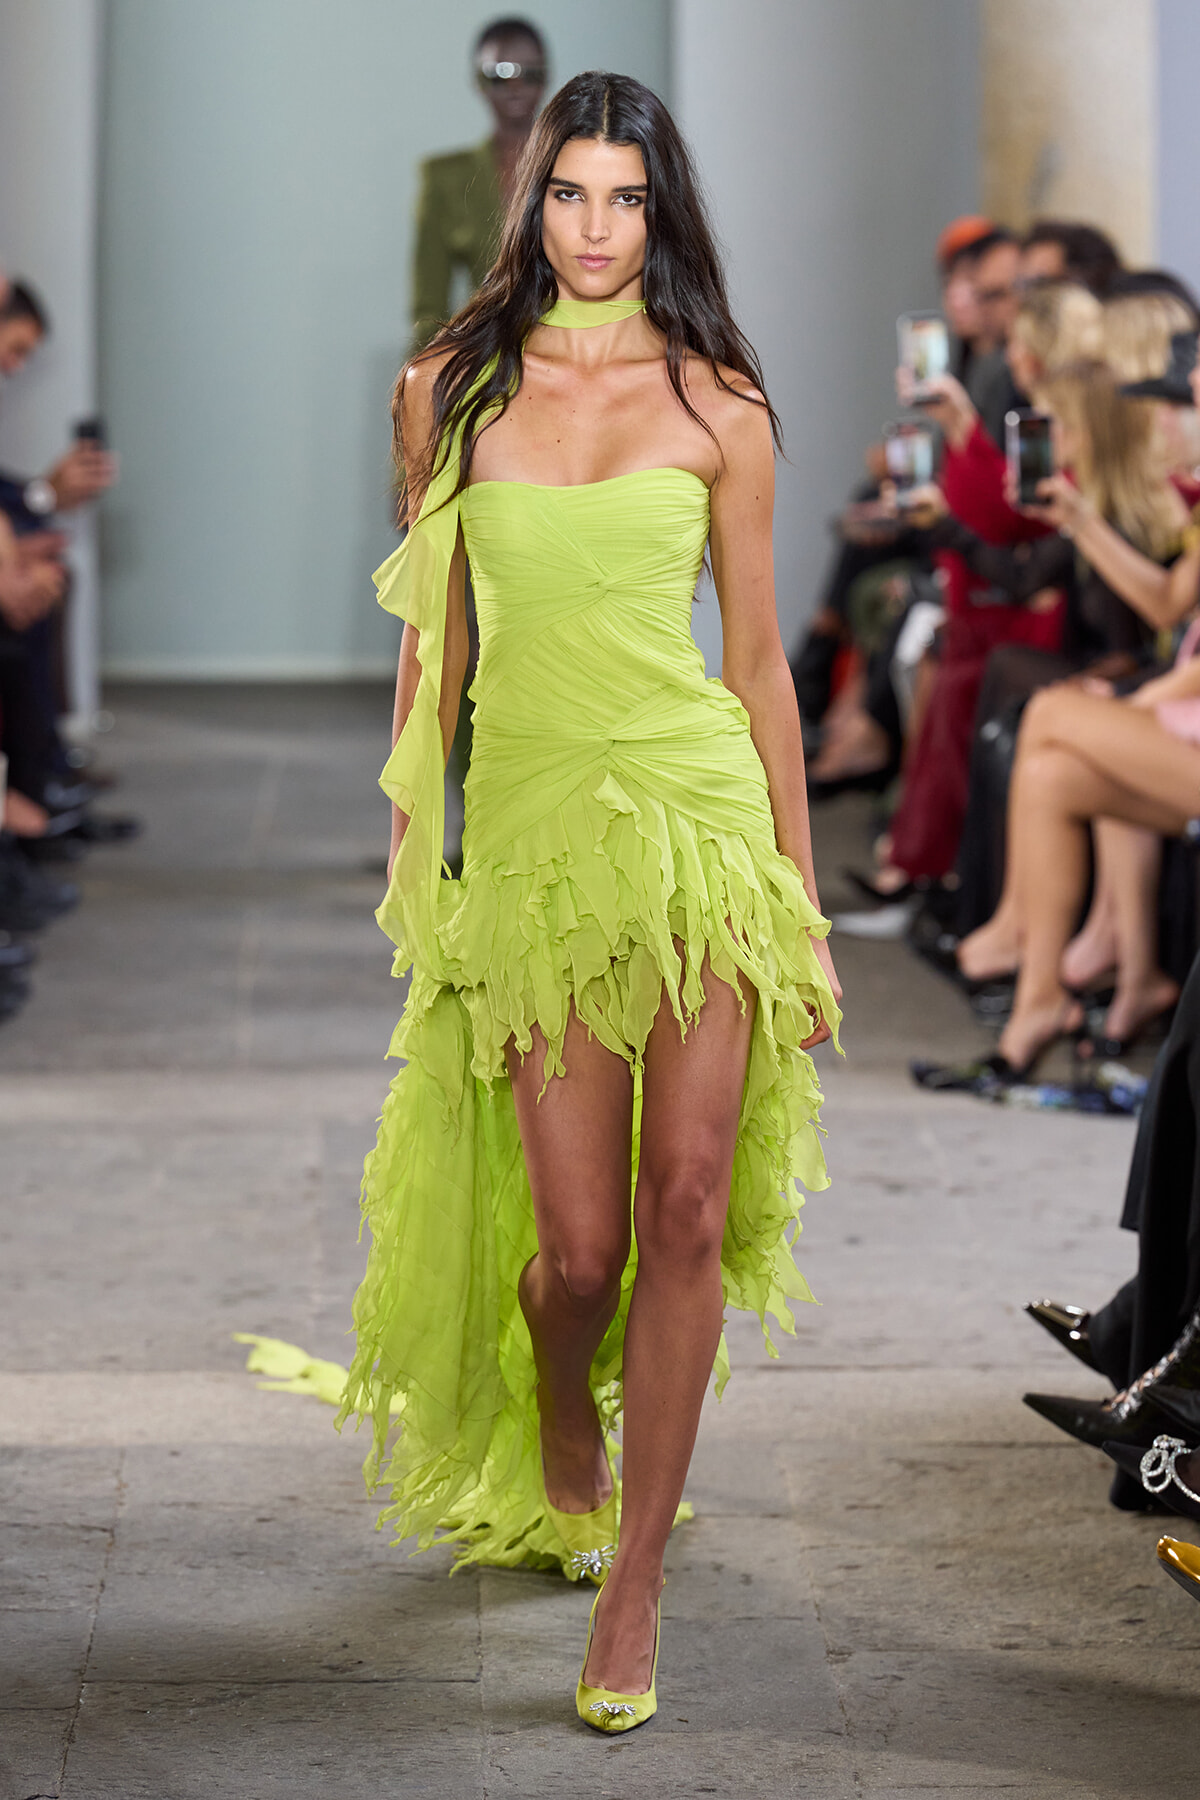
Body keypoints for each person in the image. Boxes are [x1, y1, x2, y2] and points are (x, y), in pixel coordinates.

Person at [337, 71, 841, 1733]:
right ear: (531, 204)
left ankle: (632, 1588)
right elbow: (438, 653)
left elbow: (759, 665)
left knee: (687, 1204)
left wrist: (809, 906)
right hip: (543, 836)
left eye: (628, 199)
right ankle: (566, 1391)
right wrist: (428, 862)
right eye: (572, 196)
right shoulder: (451, 391)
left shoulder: (721, 401)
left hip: (697, 826)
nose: (600, 228)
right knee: (577, 1248)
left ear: (661, 209)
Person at [410, 17, 548, 351]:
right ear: (478, 81)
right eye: (499, 74)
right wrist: (421, 386)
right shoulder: (446, 178)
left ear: (546, 78)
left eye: (528, 73)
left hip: (579, 360)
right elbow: (429, 309)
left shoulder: (578, 169)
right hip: (486, 358)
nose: (515, 86)